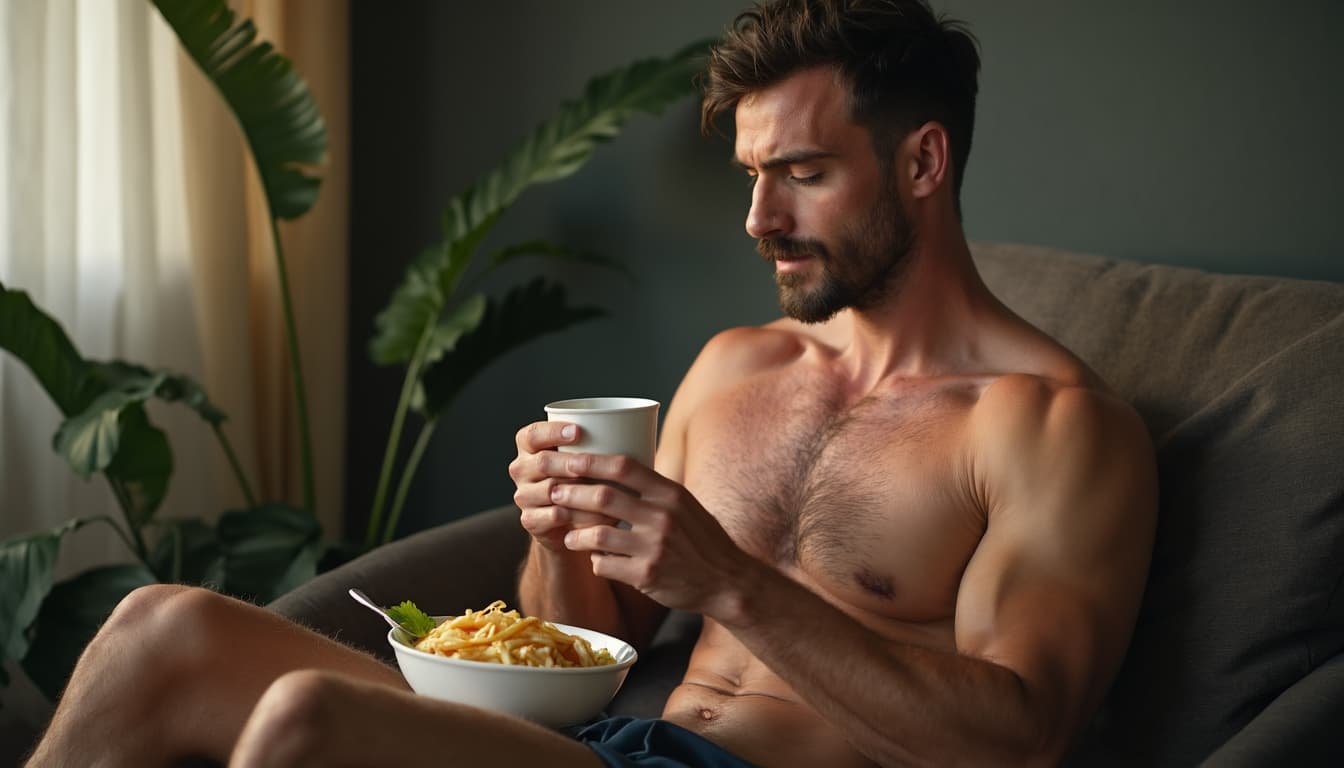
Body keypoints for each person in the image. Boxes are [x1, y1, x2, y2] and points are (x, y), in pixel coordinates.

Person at [26, 0, 1157, 766]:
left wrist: (732, 584)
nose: (759, 220)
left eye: (804, 175)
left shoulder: (1054, 428)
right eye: (754, 176)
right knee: (153, 628)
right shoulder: (739, 365)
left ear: (921, 162)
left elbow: (1021, 738)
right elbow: (585, 650)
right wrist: (565, 532)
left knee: (309, 719)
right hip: (599, 746)